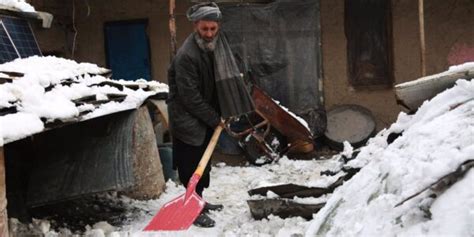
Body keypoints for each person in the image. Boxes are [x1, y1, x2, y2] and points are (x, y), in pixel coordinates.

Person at [166, 2, 225, 228]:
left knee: (204, 160)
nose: (209, 34)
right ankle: (192, 207)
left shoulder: (212, 47)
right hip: (187, 116)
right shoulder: (186, 56)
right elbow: (189, 97)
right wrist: (214, 117)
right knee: (191, 163)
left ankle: (198, 200)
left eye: (212, 29)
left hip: (203, 113)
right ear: (195, 27)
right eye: (204, 29)